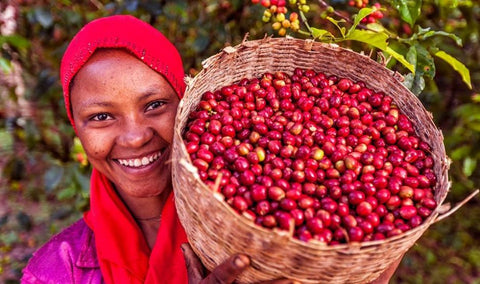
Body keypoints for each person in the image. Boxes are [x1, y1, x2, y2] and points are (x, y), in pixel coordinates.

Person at [21, 15, 401, 284]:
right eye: (101, 117)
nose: (135, 137)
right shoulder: (58, 272)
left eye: (155, 105)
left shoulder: (250, 227)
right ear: (77, 129)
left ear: (188, 105)